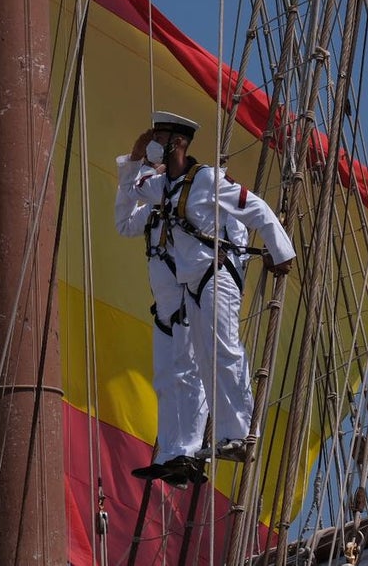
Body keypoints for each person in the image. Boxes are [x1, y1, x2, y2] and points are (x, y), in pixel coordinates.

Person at [122, 111, 296, 461]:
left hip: (216, 277)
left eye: (161, 137)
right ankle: (226, 436)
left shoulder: (208, 180)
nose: (156, 142)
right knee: (202, 358)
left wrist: (281, 252)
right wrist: (136, 154)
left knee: (223, 350)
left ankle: (242, 434)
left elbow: (256, 208)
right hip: (190, 284)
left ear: (180, 143)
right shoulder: (162, 186)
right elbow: (131, 191)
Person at [115, 150, 250, 485]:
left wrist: (226, 273)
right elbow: (124, 223)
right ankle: (170, 453)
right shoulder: (150, 209)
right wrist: (130, 171)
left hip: (192, 295)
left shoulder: (202, 198)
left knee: (191, 373)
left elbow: (239, 233)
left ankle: (187, 451)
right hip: (164, 305)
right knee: (166, 377)